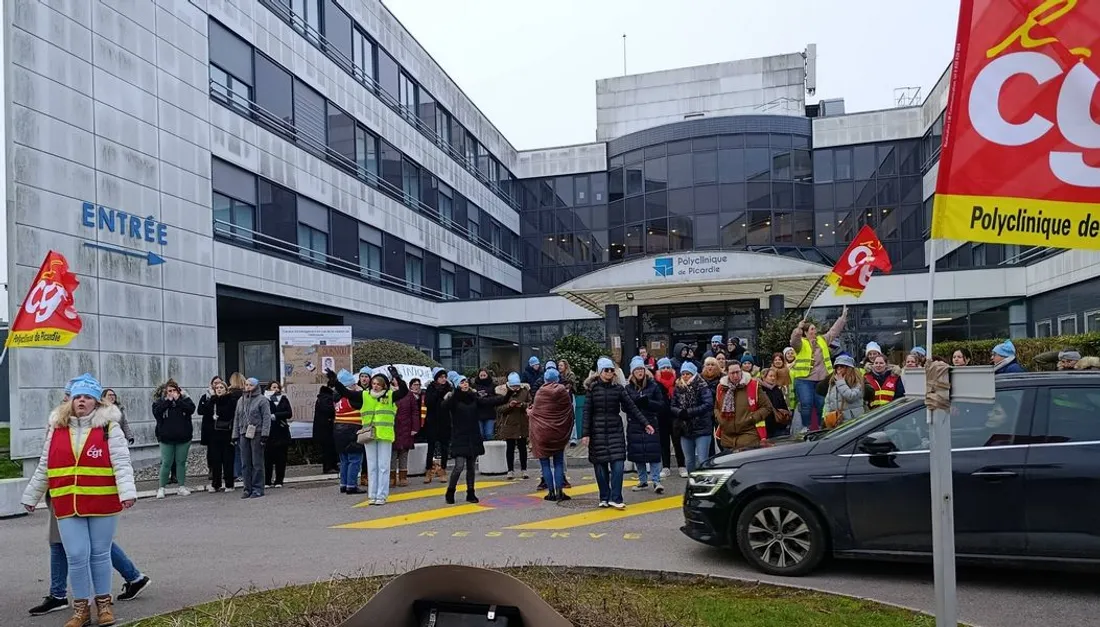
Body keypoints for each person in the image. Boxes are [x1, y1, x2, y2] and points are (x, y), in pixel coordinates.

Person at [21, 373, 137, 627]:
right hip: (67, 501)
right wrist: (32, 496)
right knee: (75, 554)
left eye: (87, 397)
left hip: (102, 501)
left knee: (99, 554)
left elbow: (121, 463)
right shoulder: (57, 428)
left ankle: (104, 606)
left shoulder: (110, 428)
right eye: (78, 397)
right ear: (70, 400)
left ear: (97, 401)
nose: (81, 401)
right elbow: (45, 465)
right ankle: (81, 610)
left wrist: (127, 492)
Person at [331, 365, 408, 506]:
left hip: (384, 435)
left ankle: (382, 495)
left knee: (383, 466)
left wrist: (397, 377)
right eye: (374, 383)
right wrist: (335, 381)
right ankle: (372, 495)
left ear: (384, 385)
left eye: (379, 384)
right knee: (372, 466)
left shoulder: (390, 395)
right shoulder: (365, 395)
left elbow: (404, 391)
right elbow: (346, 392)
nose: (375, 386)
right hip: (369, 435)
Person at [581, 357, 652, 509]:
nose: (609, 372)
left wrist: (645, 423)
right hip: (597, 431)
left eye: (612, 370)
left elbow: (632, 407)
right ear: (600, 372)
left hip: (615, 430)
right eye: (606, 370)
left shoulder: (619, 389)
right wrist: (585, 434)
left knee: (618, 464)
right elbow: (586, 412)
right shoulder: (592, 389)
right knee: (600, 466)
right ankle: (604, 497)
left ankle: (616, 498)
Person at [442, 373, 507, 504]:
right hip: (459, 436)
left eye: (466, 382)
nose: (465, 384)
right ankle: (450, 491)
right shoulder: (454, 399)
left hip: (473, 435)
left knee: (471, 466)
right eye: (461, 382)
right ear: (457, 385)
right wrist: (453, 394)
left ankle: (471, 493)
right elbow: (444, 406)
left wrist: (507, 396)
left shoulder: (473, 397)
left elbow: (489, 402)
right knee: (459, 466)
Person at [790, 306, 848, 432]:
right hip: (804, 379)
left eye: (815, 329)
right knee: (806, 404)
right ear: (806, 332)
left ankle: (822, 428)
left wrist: (842, 318)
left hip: (822, 379)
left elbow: (834, 331)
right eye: (811, 329)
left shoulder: (822, 340)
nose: (814, 331)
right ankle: (806, 427)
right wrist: (798, 328)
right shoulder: (800, 343)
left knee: (822, 404)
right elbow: (793, 340)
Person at [527, 368, 575, 501]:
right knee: (558, 462)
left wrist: (529, 412)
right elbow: (569, 410)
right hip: (559, 433)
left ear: (545, 379)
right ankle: (560, 491)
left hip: (542, 434)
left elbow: (535, 412)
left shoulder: (540, 393)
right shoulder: (563, 392)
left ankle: (551, 493)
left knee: (545, 463)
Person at [624, 356, 667, 494]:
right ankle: (642, 481)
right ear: (632, 372)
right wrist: (636, 402)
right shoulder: (628, 388)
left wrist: (648, 402)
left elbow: (661, 405)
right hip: (635, 424)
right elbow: (625, 407)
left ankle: (656, 481)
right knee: (638, 454)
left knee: (653, 453)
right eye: (636, 369)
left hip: (651, 423)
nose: (639, 372)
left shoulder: (653, 385)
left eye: (641, 369)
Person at [151, 380, 196, 499]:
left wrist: (178, 401)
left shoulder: (185, 400)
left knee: (181, 462)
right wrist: (167, 402)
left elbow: (191, 409)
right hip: (166, 438)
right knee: (166, 462)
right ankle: (161, 488)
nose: (171, 393)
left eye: (174, 390)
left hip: (183, 437)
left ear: (178, 391)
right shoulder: (160, 402)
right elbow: (157, 413)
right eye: (169, 391)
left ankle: (181, 486)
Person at [715, 363, 773, 450]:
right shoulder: (721, 388)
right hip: (727, 439)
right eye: (732, 373)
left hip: (748, 437)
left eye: (737, 372)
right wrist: (720, 419)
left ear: (741, 371)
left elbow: (767, 407)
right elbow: (716, 407)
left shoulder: (753, 385)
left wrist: (751, 418)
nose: (735, 376)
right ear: (727, 373)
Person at [232, 377, 273, 499]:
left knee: (257, 462)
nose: (247, 387)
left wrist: (265, 434)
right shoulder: (241, 400)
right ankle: (247, 488)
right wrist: (235, 435)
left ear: (256, 386)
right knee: (245, 462)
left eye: (250, 385)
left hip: (257, 432)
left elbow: (266, 418)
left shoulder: (262, 400)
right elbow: (237, 418)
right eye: (246, 384)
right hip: (244, 433)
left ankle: (258, 488)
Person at [671, 361, 715, 473]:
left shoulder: (702, 386)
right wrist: (680, 412)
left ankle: (704, 483)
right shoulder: (678, 387)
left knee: (702, 460)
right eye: (683, 373)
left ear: (693, 374)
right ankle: (693, 483)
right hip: (685, 429)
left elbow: (708, 404)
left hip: (702, 428)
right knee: (689, 461)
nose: (685, 376)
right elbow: (672, 405)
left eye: (688, 374)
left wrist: (690, 412)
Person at [201, 378, 239, 492]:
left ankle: (229, 484)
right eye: (217, 388)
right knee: (215, 460)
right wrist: (210, 400)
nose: (219, 389)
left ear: (226, 389)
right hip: (214, 434)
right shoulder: (212, 401)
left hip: (227, 433)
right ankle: (216, 483)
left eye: (221, 387)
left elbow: (230, 413)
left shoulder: (231, 400)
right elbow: (204, 412)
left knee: (228, 460)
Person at [332, 370, 365, 494]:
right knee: (355, 459)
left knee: (344, 460)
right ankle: (351, 485)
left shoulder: (336, 397)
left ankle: (343, 484)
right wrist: (358, 389)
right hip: (352, 430)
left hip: (338, 430)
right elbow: (364, 398)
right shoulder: (352, 398)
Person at [496, 372, 532, 480]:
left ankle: (524, 469)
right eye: (513, 386)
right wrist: (509, 406)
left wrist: (522, 405)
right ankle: (510, 470)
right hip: (509, 424)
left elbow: (530, 403)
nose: (515, 388)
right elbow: (499, 409)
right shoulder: (503, 393)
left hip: (522, 423)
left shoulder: (525, 392)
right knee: (510, 448)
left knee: (522, 448)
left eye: (517, 386)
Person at [653, 357, 685, 478]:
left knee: (678, 442)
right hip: (661, 417)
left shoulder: (677, 382)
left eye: (668, 367)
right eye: (663, 368)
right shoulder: (656, 383)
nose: (666, 370)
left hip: (675, 416)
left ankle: (682, 466)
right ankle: (666, 467)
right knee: (664, 443)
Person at [422, 368, 453, 484]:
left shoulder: (449, 389)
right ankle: (428, 471)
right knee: (431, 447)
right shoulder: (431, 388)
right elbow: (428, 402)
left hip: (445, 421)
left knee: (445, 447)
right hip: (432, 421)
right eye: (441, 377)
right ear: (436, 378)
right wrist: (437, 393)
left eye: (445, 377)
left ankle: (443, 470)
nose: (443, 379)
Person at [821, 354, 866, 427]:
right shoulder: (833, 381)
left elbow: (851, 397)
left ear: (849, 368)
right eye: (836, 366)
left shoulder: (856, 381)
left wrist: (841, 382)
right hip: (836, 420)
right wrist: (826, 416)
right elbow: (828, 401)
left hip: (853, 421)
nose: (839, 368)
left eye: (842, 366)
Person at [392, 377, 421, 488]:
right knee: (392, 453)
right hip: (393, 427)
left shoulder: (409, 395)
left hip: (406, 426)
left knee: (404, 452)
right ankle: (392, 477)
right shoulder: (389, 393)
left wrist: (415, 427)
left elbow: (415, 412)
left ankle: (403, 477)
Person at [264, 381, 293, 488]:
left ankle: (279, 480)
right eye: (273, 387)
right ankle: (267, 480)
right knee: (268, 458)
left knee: (281, 458)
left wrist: (276, 415)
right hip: (269, 432)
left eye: (277, 387)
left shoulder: (283, 399)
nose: (275, 389)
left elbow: (289, 413)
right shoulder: (265, 399)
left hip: (282, 431)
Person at [757, 367, 792, 438]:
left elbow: (783, 404)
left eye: (774, 376)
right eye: (770, 376)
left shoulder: (777, 390)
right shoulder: (759, 390)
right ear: (764, 377)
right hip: (766, 425)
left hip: (779, 424)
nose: (773, 378)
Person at [313, 384, 339, 474]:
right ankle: (328, 467)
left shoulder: (323, 398)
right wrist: (336, 409)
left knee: (330, 448)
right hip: (326, 428)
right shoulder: (326, 398)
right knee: (328, 448)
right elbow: (328, 410)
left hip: (324, 428)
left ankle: (332, 466)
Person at [473, 368, 498, 441]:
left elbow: (497, 398)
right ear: (478, 376)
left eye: (484, 375)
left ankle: (489, 452)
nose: (483, 377)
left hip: (490, 413)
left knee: (489, 434)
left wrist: (488, 396)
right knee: (480, 434)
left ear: (487, 375)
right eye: (481, 375)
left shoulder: (493, 386)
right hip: (478, 414)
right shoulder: (474, 386)